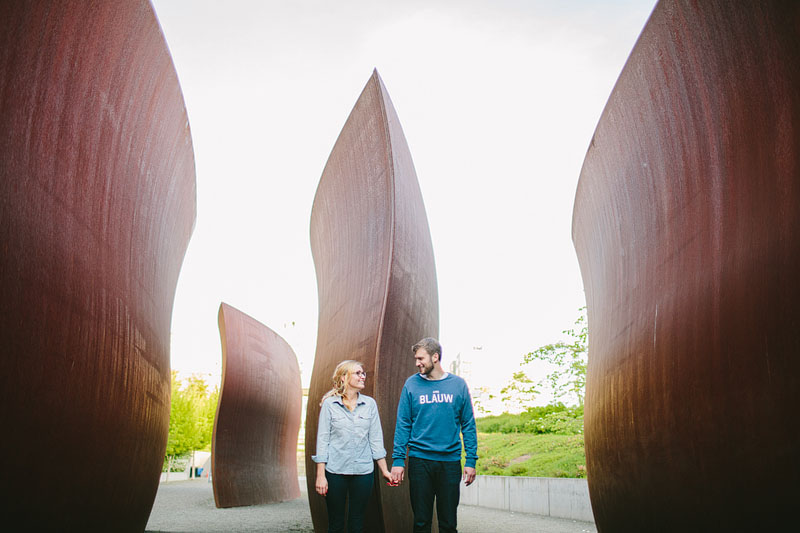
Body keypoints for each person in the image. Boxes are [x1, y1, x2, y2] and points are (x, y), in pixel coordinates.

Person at [390, 337, 478, 533]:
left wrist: (471, 460)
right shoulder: (411, 384)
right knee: (421, 523)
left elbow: (468, 425)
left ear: (435, 357)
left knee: (448, 524)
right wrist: (397, 460)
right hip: (420, 461)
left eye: (421, 358)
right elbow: (403, 424)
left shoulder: (458, 385)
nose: (417, 363)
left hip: (450, 462)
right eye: (416, 358)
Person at [312, 360, 393, 533]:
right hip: (335, 472)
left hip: (363, 472)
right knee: (335, 522)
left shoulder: (370, 404)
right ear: (344, 377)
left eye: (363, 373)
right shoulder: (329, 405)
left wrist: (385, 471)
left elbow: (376, 440)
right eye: (358, 373)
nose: (363, 376)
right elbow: (323, 440)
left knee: (357, 522)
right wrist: (321, 476)